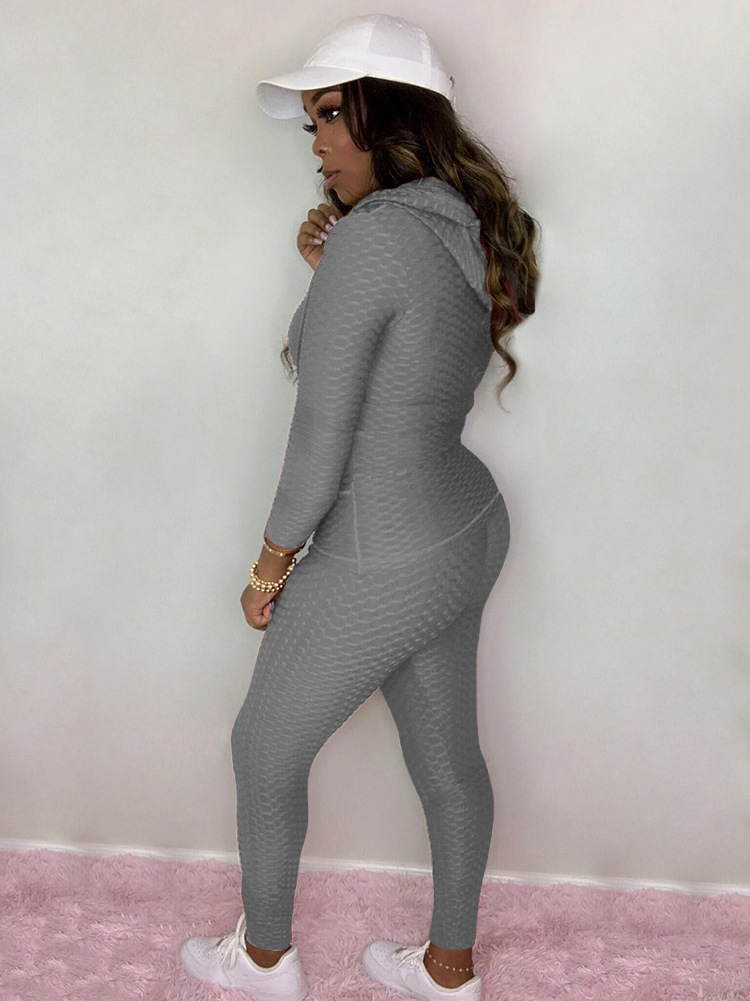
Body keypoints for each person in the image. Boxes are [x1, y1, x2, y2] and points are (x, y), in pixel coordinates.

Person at [180, 13, 540, 1001]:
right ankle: (449, 969)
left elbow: (321, 437)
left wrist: (269, 565)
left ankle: (263, 961)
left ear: (392, 115)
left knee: (264, 746)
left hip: (387, 541)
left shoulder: (375, 239)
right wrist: (327, 274)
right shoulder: (460, 223)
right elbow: (405, 361)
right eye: (312, 123)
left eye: (332, 116)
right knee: (447, 756)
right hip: (467, 524)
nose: (319, 144)